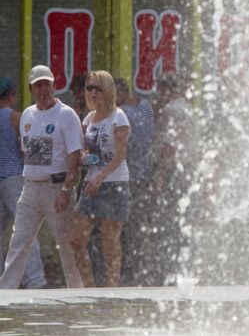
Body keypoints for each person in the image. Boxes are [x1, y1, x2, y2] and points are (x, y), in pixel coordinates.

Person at [0, 65, 84, 289]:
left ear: (54, 86)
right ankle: (5, 294)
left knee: (66, 246)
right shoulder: (27, 114)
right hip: (29, 188)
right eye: (39, 85)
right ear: (31, 89)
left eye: (47, 84)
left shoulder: (66, 115)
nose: (43, 89)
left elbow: (74, 156)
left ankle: (77, 294)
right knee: (18, 243)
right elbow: (30, 153)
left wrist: (67, 190)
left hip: (58, 188)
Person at [71, 70, 131, 287]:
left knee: (109, 243)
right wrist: (84, 157)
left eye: (98, 88)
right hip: (91, 182)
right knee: (76, 239)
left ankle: (112, 289)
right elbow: (84, 152)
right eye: (90, 88)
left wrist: (100, 178)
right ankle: (89, 287)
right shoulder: (88, 118)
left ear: (108, 90)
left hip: (114, 183)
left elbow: (121, 154)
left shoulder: (119, 116)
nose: (93, 92)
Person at [148, 72, 197, 285]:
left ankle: (167, 271)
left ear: (166, 90)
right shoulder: (189, 109)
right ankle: (184, 267)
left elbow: (170, 145)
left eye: (160, 90)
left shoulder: (171, 110)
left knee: (167, 221)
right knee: (183, 219)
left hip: (172, 172)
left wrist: (159, 176)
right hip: (188, 169)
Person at [0, 77, 47, 289]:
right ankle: (35, 280)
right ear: (11, 95)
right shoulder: (15, 117)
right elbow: (32, 150)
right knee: (26, 230)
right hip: (14, 179)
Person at [114, 77, 154, 286]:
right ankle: (142, 270)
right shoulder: (146, 105)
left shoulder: (121, 113)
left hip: (128, 177)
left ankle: (129, 272)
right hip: (144, 175)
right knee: (139, 226)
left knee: (124, 229)